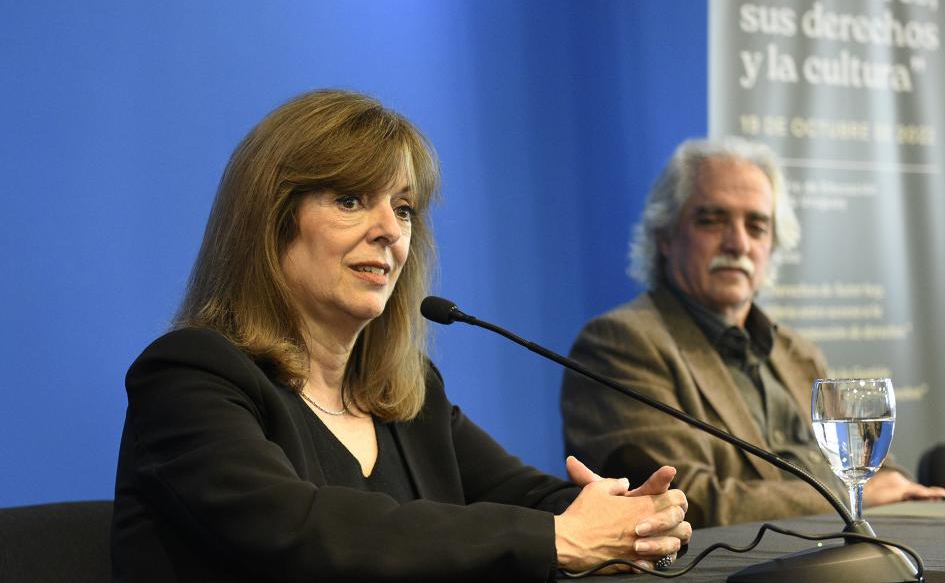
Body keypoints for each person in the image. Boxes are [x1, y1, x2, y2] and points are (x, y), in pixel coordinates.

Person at [111, 89, 691, 582]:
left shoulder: (405, 393)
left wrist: (628, 520)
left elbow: (527, 497)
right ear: (272, 223)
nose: (390, 230)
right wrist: (558, 539)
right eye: (349, 200)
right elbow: (296, 531)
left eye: (405, 207)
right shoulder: (190, 377)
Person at [560, 136, 945, 528]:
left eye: (756, 226)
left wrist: (902, 491)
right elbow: (685, 502)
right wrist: (849, 494)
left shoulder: (799, 351)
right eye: (711, 220)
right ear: (665, 236)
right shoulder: (619, 344)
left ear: (773, 246)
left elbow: (878, 473)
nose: (738, 243)